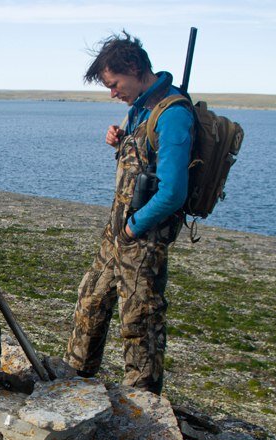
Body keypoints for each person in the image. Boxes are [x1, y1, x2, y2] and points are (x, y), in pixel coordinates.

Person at [63, 31, 194, 395]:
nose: (112, 93)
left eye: (114, 83)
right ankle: (74, 378)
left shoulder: (173, 114)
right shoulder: (142, 108)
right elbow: (146, 168)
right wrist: (121, 142)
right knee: (91, 297)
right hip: (119, 230)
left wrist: (134, 228)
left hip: (143, 237)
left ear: (135, 68)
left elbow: (172, 192)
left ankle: (142, 403)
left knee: (140, 320)